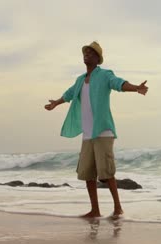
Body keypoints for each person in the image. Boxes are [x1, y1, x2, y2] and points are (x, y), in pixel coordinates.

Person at [44, 41, 148, 218]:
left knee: (106, 173)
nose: (87, 55)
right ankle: (95, 210)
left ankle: (118, 208)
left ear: (98, 58)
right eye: (85, 52)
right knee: (87, 174)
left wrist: (135, 88)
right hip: (87, 134)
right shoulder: (80, 80)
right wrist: (56, 103)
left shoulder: (105, 75)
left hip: (102, 132)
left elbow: (118, 83)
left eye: (91, 53)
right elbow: (69, 94)